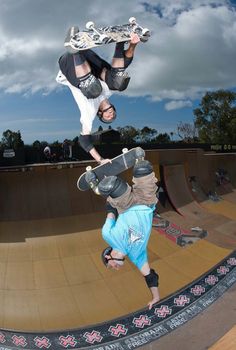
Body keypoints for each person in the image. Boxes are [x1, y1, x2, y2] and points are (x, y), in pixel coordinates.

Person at [85, 148, 160, 309]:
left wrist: (108, 196)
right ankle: (139, 164)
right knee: (143, 167)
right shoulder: (137, 257)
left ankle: (98, 187)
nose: (115, 268)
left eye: (111, 266)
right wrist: (155, 297)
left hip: (125, 206)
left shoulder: (108, 235)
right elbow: (150, 277)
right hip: (147, 203)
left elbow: (110, 213)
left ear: (108, 257)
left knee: (110, 184)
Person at [56, 26, 140, 164]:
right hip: (87, 56)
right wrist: (132, 44)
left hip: (69, 64)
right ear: (113, 108)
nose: (111, 116)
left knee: (93, 90)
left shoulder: (89, 112)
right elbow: (124, 64)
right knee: (118, 83)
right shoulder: (109, 92)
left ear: (100, 114)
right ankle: (120, 41)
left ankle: (73, 49)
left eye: (107, 118)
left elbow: (84, 141)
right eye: (113, 116)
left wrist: (100, 160)